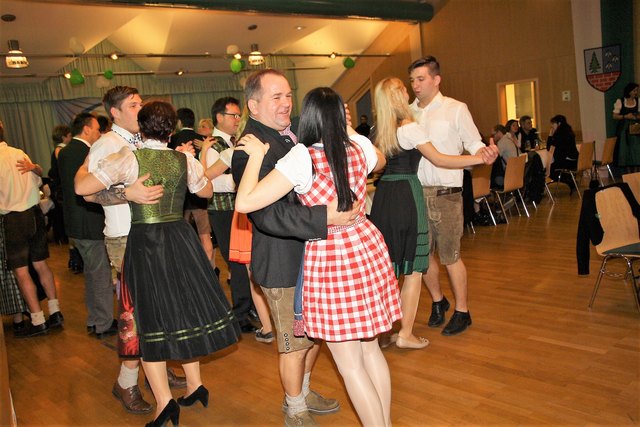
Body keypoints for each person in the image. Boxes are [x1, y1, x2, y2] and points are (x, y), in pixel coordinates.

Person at [235, 86, 401, 426]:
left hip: (331, 255)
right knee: (370, 349)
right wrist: (346, 126)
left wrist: (254, 158)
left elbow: (245, 203)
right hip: (366, 245)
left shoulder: (302, 156)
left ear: (308, 116)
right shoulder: (358, 148)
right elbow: (378, 156)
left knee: (350, 363)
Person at [75, 101, 240, 426]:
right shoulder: (184, 158)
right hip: (180, 240)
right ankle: (195, 385)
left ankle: (165, 404)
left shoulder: (128, 159)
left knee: (148, 319)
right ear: (171, 129)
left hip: (146, 243)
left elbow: (83, 189)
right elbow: (205, 192)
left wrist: (88, 170)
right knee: (182, 308)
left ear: (143, 126)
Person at [231, 70, 354, 426]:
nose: (286, 103)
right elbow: (266, 214)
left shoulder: (287, 136)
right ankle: (294, 408)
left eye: (288, 95)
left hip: (310, 258)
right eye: (276, 97)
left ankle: (302, 389)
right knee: (293, 344)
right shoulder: (249, 149)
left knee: (315, 336)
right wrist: (324, 217)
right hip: (283, 263)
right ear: (254, 104)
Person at [369, 77, 497, 349]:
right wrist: (479, 158)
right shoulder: (408, 128)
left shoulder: (377, 131)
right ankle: (405, 334)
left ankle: (381, 333)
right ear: (396, 97)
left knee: (389, 267)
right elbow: (440, 159)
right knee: (414, 270)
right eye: (404, 89)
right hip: (406, 193)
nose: (408, 91)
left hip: (383, 198)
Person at [82, 85, 184, 415]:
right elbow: (86, 193)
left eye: (141, 103)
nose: (139, 109)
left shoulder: (138, 142)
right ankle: (127, 381)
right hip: (125, 236)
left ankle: (155, 367)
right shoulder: (107, 144)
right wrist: (129, 194)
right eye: (133, 104)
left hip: (152, 234)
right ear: (114, 112)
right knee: (136, 316)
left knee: (155, 310)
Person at [408, 56, 494, 336]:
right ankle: (437, 301)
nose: (415, 85)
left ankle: (462, 310)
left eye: (421, 79)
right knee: (423, 256)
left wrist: (485, 153)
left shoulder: (455, 109)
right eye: (412, 80)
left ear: (436, 79)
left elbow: (473, 143)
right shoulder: (407, 113)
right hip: (417, 194)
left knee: (450, 255)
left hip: (446, 194)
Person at [0, 120, 64, 338]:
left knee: (21, 271)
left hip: (14, 219)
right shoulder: (18, 152)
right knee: (40, 264)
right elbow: (37, 182)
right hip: (34, 214)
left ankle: (38, 320)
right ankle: (55, 311)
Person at [201, 96, 259, 334]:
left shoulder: (234, 141)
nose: (237, 119)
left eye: (238, 115)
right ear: (219, 117)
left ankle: (251, 307)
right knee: (235, 262)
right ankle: (240, 312)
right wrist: (243, 180)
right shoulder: (214, 145)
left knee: (245, 259)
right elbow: (210, 181)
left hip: (239, 209)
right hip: (222, 210)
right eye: (233, 115)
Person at [57, 113, 116, 338]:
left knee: (93, 274)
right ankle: (103, 322)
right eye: (96, 128)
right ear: (86, 129)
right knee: (99, 274)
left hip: (76, 221)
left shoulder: (66, 151)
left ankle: (95, 320)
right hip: (88, 221)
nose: (99, 133)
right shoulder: (82, 152)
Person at [169, 108, 214, 266]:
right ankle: (209, 269)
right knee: (205, 235)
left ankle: (187, 268)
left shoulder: (172, 140)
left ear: (179, 122)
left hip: (181, 197)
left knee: (183, 237)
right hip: (200, 195)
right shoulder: (202, 139)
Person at [47, 124, 72, 245]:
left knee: (60, 214)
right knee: (62, 215)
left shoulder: (57, 150)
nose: (71, 137)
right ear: (64, 137)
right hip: (61, 189)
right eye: (69, 136)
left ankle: (61, 238)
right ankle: (63, 238)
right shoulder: (61, 151)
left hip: (58, 188)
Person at [546, 114, 579, 191]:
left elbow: (549, 148)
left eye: (553, 124)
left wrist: (550, 135)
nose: (552, 126)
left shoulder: (559, 134)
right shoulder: (569, 132)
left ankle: (569, 181)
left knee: (549, 170)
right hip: (575, 161)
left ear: (559, 123)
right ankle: (570, 179)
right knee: (552, 166)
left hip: (567, 162)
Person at [612, 82, 640, 171]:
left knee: (635, 149)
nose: (636, 92)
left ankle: (636, 172)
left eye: (637, 90)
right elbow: (614, 116)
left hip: (635, 128)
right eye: (634, 90)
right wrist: (625, 116)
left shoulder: (638, 101)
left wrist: (636, 116)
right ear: (629, 91)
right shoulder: (620, 101)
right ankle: (628, 173)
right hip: (624, 129)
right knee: (625, 149)